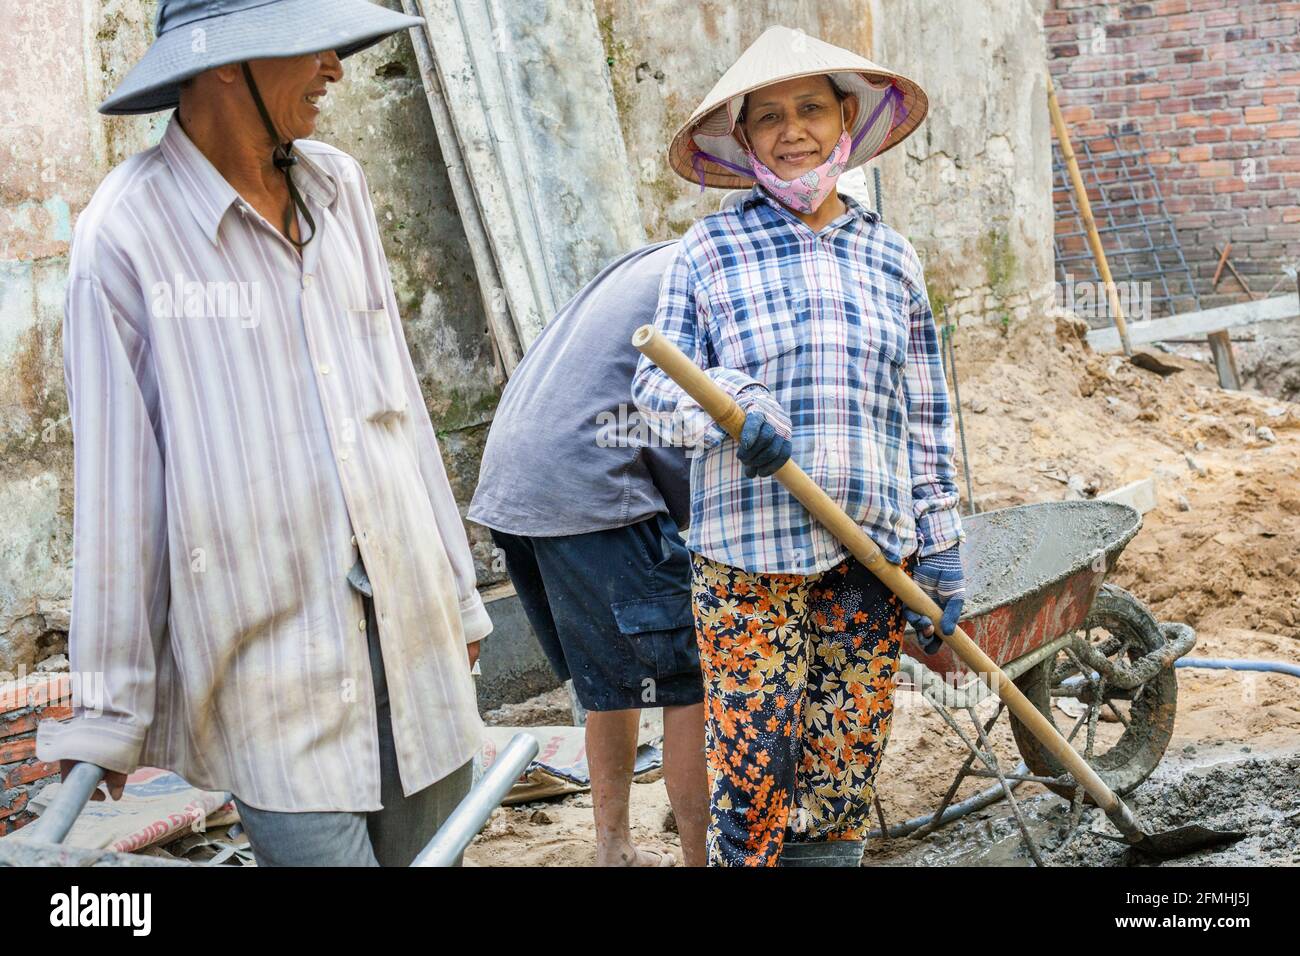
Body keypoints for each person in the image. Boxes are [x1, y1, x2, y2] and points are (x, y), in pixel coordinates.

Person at [36, 0, 488, 867]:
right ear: (221, 65)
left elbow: (396, 399)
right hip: (273, 673)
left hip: (413, 631)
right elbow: (118, 496)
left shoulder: (337, 186)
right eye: (309, 44)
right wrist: (108, 710)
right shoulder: (126, 235)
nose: (336, 67)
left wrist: (460, 591)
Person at [632, 25, 967, 867]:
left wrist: (943, 545)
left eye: (811, 109)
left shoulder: (892, 256)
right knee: (757, 774)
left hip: (872, 555)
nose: (793, 132)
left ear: (845, 118)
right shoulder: (709, 250)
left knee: (843, 773)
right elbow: (653, 393)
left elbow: (924, 411)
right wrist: (731, 405)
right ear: (743, 142)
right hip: (748, 561)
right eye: (770, 117)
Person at [469, 242, 708, 866]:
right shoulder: (719, 273)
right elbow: (686, 429)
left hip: (517, 479)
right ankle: (702, 858)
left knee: (614, 680)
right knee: (694, 680)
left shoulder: (656, 256)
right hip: (589, 480)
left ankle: (613, 848)